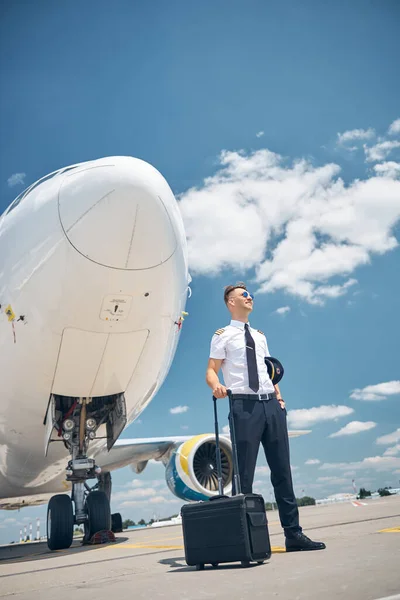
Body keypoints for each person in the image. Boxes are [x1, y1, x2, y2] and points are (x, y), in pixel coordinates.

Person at [206, 282, 326, 552]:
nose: (250, 298)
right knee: (244, 477)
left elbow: (268, 371)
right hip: (243, 407)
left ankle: (293, 534)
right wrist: (216, 385)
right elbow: (211, 370)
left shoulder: (260, 336)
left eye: (250, 295)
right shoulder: (222, 335)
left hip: (270, 406)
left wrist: (279, 398)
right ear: (230, 302)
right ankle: (247, 539)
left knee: (283, 472)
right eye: (243, 295)